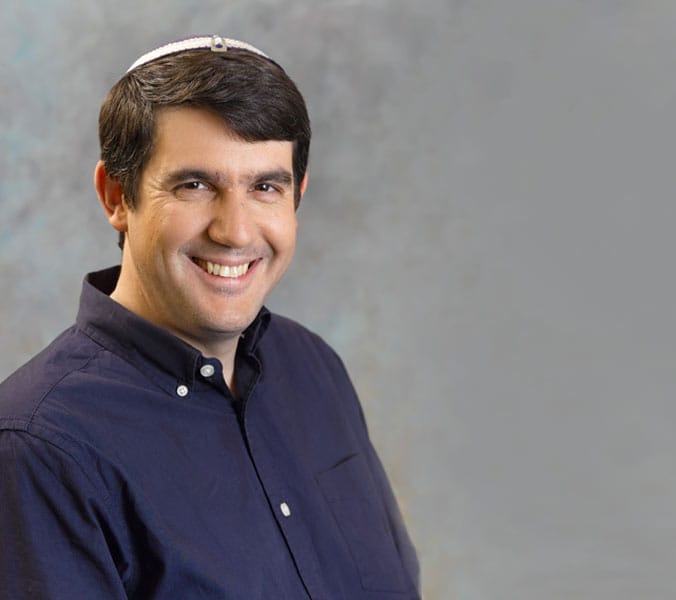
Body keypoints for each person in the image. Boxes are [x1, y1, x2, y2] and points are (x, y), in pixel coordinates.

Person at [0, 36, 419, 599]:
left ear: (297, 197)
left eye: (265, 187)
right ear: (117, 196)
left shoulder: (313, 366)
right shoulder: (38, 448)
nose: (236, 231)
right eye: (195, 185)